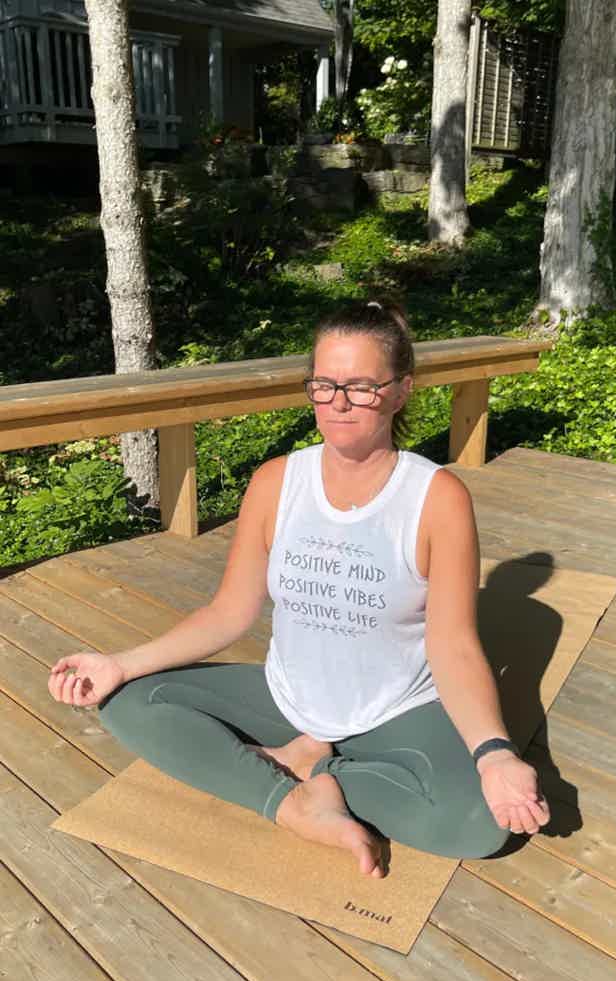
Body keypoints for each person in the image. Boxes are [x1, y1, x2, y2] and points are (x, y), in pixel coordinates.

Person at [47, 299, 551, 878]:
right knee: (128, 701)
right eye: (324, 384)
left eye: (361, 386)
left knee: (479, 823)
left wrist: (494, 754)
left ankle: (321, 770)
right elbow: (229, 612)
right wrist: (118, 663)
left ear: (401, 390)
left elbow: (454, 645)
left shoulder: (435, 498)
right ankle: (291, 803)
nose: (338, 403)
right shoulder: (278, 482)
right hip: (288, 698)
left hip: (395, 710)